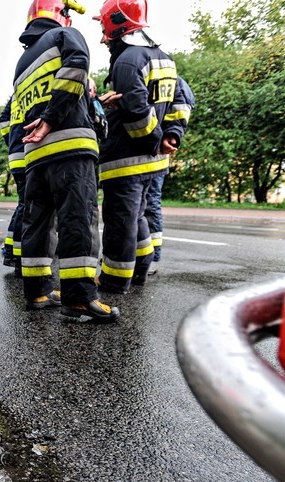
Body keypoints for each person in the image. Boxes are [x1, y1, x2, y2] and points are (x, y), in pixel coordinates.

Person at [13, 0, 119, 322]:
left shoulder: (21, 63)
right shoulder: (64, 36)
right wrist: (53, 116)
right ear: (63, 15)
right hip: (70, 148)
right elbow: (77, 66)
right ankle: (80, 297)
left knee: (38, 225)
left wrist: (46, 117)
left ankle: (38, 292)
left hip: (36, 157)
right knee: (78, 221)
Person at [93, 0, 181, 294]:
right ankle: (140, 271)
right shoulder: (164, 58)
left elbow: (134, 106)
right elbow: (180, 102)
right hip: (153, 164)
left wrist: (154, 140)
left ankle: (113, 282)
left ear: (117, 25)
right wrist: (171, 135)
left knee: (120, 222)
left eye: (104, 30)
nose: (103, 38)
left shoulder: (128, 60)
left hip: (126, 161)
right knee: (137, 217)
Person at [144, 76, 195, 275]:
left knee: (150, 204)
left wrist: (169, 137)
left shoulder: (175, 81)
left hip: (156, 154)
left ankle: (153, 256)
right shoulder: (162, 79)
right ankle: (140, 255)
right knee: (143, 207)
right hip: (148, 153)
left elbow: (182, 112)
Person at [0, 95, 27, 275]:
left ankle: (11, 251)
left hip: (16, 154)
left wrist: (12, 142)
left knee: (23, 206)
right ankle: (18, 258)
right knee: (28, 207)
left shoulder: (17, 94)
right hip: (28, 153)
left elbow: (3, 121)